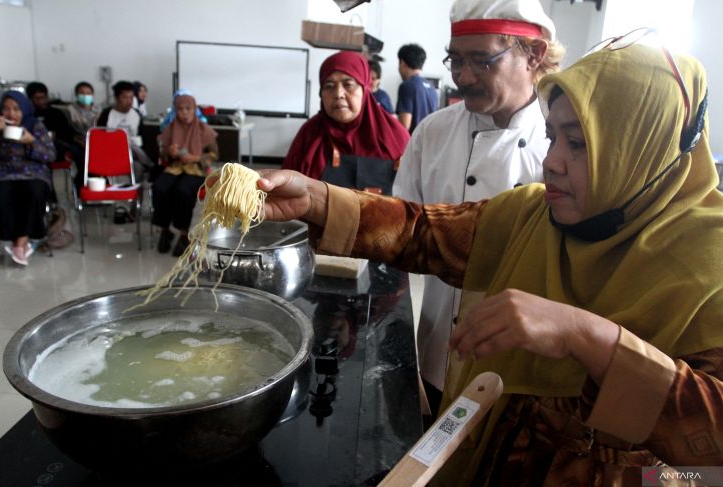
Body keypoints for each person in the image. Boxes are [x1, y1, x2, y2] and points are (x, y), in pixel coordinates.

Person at [233, 38, 723, 485]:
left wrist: (586, 336)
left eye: (579, 144)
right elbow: (420, 230)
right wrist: (317, 200)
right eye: (553, 137)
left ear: (645, 148)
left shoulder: (709, 266)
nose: (553, 160)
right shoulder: (534, 214)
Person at [393, 0, 564, 414]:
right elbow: (395, 239)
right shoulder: (433, 132)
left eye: (481, 61)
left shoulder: (560, 145)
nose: (462, 78)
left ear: (534, 55)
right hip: (432, 355)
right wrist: (399, 358)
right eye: (455, 60)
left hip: (521, 378)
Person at [282, 51, 409, 195]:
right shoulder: (310, 134)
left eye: (348, 85)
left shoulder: (395, 136)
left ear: (365, 90)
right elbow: (286, 192)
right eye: (329, 86)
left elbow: (412, 197)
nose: (338, 94)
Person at [0, 91, 56, 266]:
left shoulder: (35, 125)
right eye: (5, 109)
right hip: (2, 173)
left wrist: (30, 141)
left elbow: (50, 155)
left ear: (24, 109)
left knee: (33, 191)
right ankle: (6, 240)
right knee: (0, 193)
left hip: (32, 172)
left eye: (16, 109)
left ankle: (20, 243)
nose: (11, 114)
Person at [153, 90, 218, 257]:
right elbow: (161, 154)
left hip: (196, 170)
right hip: (174, 168)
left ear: (194, 109)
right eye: (180, 109)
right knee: (160, 187)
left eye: (188, 108)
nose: (184, 113)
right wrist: (169, 152)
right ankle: (165, 230)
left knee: (182, 190)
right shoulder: (170, 128)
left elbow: (214, 155)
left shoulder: (204, 129)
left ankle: (183, 234)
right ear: (175, 110)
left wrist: (195, 157)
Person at [96, 80, 154, 183]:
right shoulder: (107, 114)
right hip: (111, 153)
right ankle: (149, 163)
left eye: (131, 98)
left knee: (137, 167)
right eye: (124, 97)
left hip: (132, 155)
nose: (129, 101)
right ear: (116, 98)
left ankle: (135, 197)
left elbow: (142, 138)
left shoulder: (136, 114)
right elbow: (99, 137)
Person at [64, 81, 100, 191]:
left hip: (96, 142)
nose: (85, 96)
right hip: (77, 141)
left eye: (88, 93)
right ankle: (82, 187)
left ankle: (98, 184)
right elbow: (69, 130)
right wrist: (82, 142)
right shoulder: (70, 110)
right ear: (77, 95)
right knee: (82, 160)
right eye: (82, 93)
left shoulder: (99, 110)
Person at [395, 43, 438, 133]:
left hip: (413, 143)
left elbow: (404, 126)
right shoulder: (431, 87)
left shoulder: (407, 86)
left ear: (402, 63)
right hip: (428, 141)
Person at [26, 81, 73, 161]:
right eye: (37, 98)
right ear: (30, 99)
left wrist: (56, 135)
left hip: (55, 143)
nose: (41, 101)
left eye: (43, 97)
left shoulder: (56, 113)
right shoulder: (27, 114)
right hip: (32, 144)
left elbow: (67, 133)